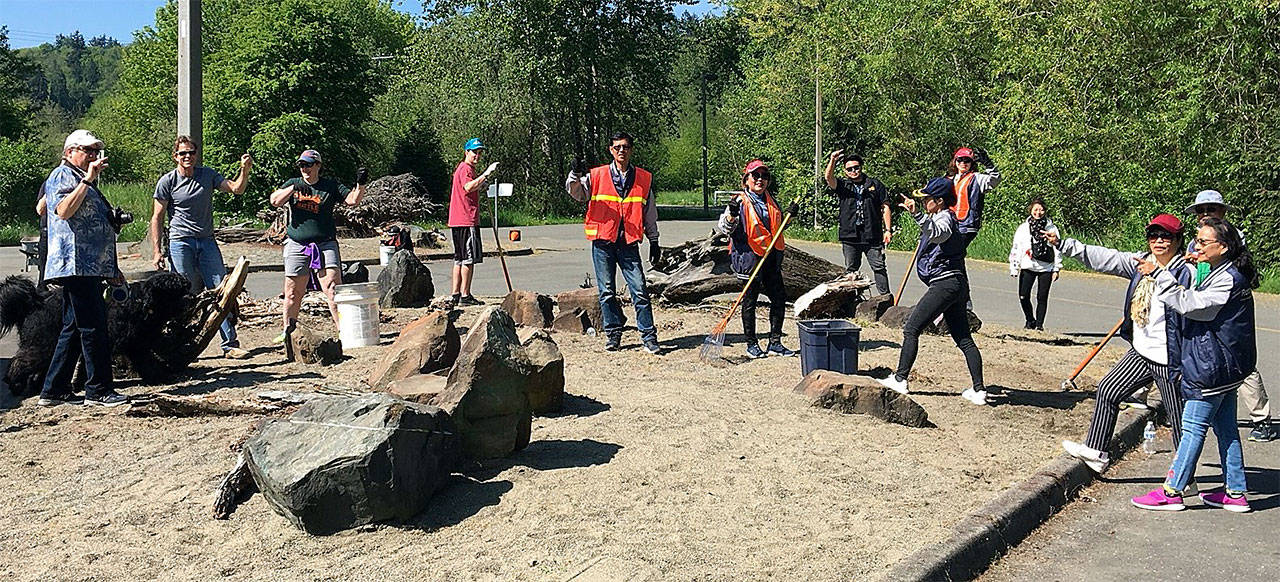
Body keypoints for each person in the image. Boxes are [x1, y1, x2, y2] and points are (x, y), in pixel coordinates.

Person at [1131, 217, 1257, 512]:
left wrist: (1160, 274)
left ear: (1223, 247)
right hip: (1225, 367)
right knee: (1225, 429)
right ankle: (1236, 493)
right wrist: (1197, 261)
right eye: (1196, 240)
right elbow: (1200, 288)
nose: (1195, 246)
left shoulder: (1228, 279)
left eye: (1203, 242)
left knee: (1192, 428)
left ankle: (1172, 491)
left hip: (1212, 368)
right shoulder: (1220, 270)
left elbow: (1192, 305)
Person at [1048, 214, 1188, 473]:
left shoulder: (1185, 272)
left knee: (1179, 419)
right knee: (1108, 390)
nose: (1158, 241)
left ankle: (1184, 479)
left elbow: (1188, 304)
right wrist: (1064, 245)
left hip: (1170, 358)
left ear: (1179, 240)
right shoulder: (1140, 262)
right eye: (1153, 236)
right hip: (1142, 352)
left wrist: (1157, 273)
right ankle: (1096, 451)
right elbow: (1105, 258)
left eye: (1166, 236)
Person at [33, 129, 127, 407]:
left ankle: (54, 389)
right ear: (69, 152)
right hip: (76, 264)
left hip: (89, 265)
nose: (93, 156)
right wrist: (87, 180)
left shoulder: (80, 179)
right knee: (93, 327)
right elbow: (62, 210)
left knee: (73, 327)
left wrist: (111, 266)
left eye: (95, 151)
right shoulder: (63, 175)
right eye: (87, 150)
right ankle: (98, 390)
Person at [876, 177, 987, 405]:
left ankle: (900, 379)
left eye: (927, 199)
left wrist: (917, 214)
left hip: (945, 284)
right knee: (963, 338)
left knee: (911, 327)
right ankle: (979, 390)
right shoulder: (941, 216)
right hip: (956, 285)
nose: (924, 201)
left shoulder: (945, 218)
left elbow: (939, 234)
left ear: (939, 201)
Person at [148, 136, 253, 359]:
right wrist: (157, 251)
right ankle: (179, 343)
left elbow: (236, 189)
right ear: (175, 156)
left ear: (196, 154)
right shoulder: (167, 181)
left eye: (191, 152)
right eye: (183, 153)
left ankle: (230, 344)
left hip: (206, 241)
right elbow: (156, 217)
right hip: (180, 242)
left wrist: (244, 170)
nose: (187, 157)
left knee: (222, 289)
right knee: (183, 293)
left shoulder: (208, 175)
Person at [1184, 189, 1274, 442]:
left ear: (1222, 212)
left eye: (1210, 209)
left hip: (1229, 303)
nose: (1205, 214)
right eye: (1201, 211)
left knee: (1238, 358)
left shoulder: (1229, 237)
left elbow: (1233, 266)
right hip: (1204, 299)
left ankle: (1261, 418)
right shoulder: (1197, 241)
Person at [565, 131, 661, 354]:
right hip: (603, 242)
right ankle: (613, 335)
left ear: (631, 149)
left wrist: (654, 241)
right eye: (617, 147)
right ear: (611, 150)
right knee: (607, 292)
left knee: (639, 291)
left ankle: (649, 336)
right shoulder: (596, 175)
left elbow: (649, 213)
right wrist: (575, 173)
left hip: (628, 243)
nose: (621, 150)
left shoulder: (643, 179)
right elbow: (576, 192)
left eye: (625, 146)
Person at [268, 149, 366, 343]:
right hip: (297, 244)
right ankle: (288, 331)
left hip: (325, 243)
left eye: (309, 164)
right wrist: (293, 189)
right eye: (302, 165)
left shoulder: (330, 186)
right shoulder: (293, 183)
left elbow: (352, 201)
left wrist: (360, 184)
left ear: (318, 166)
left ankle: (343, 331)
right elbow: (275, 201)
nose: (305, 168)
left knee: (332, 289)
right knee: (293, 292)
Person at [717, 160, 799, 358]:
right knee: (750, 302)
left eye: (764, 176)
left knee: (779, 298)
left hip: (771, 258)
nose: (760, 180)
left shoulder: (772, 200)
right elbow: (725, 229)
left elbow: (776, 228)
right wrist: (732, 216)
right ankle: (751, 344)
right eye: (755, 176)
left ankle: (775, 342)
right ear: (747, 179)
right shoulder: (738, 201)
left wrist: (789, 217)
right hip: (748, 257)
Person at [824, 151, 891, 295]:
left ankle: (886, 299)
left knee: (879, 267)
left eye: (856, 167)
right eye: (849, 169)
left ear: (861, 167)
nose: (854, 171)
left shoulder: (875, 184)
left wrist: (888, 230)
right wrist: (832, 161)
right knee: (851, 270)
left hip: (872, 234)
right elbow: (828, 178)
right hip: (850, 235)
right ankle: (852, 301)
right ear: (845, 171)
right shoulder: (843, 185)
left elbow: (885, 207)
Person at [448, 138, 498, 306]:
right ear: (466, 152)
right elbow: (468, 187)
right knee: (468, 258)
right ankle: (465, 295)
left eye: (479, 152)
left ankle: (455, 293)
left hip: (457, 220)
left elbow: (470, 188)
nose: (477, 155)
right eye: (474, 152)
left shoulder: (464, 169)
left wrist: (481, 184)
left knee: (459, 258)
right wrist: (486, 174)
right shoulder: (466, 168)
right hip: (466, 219)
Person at [1007, 198, 1061, 330]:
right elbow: (1016, 248)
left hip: (1046, 267)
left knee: (1042, 297)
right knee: (1023, 296)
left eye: (1041, 209)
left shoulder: (1051, 228)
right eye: (1036, 209)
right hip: (1028, 265)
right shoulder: (1023, 228)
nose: (1038, 212)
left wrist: (1057, 268)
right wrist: (1014, 266)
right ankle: (1030, 320)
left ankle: (1039, 325)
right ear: (1030, 210)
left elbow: (1057, 247)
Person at [947, 146, 1001, 249]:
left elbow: (995, 179)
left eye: (967, 160)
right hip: (951, 223)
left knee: (954, 252)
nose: (963, 163)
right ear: (955, 161)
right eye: (960, 160)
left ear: (972, 163)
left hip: (967, 225)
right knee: (953, 255)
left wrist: (988, 163)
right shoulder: (950, 179)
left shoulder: (977, 178)